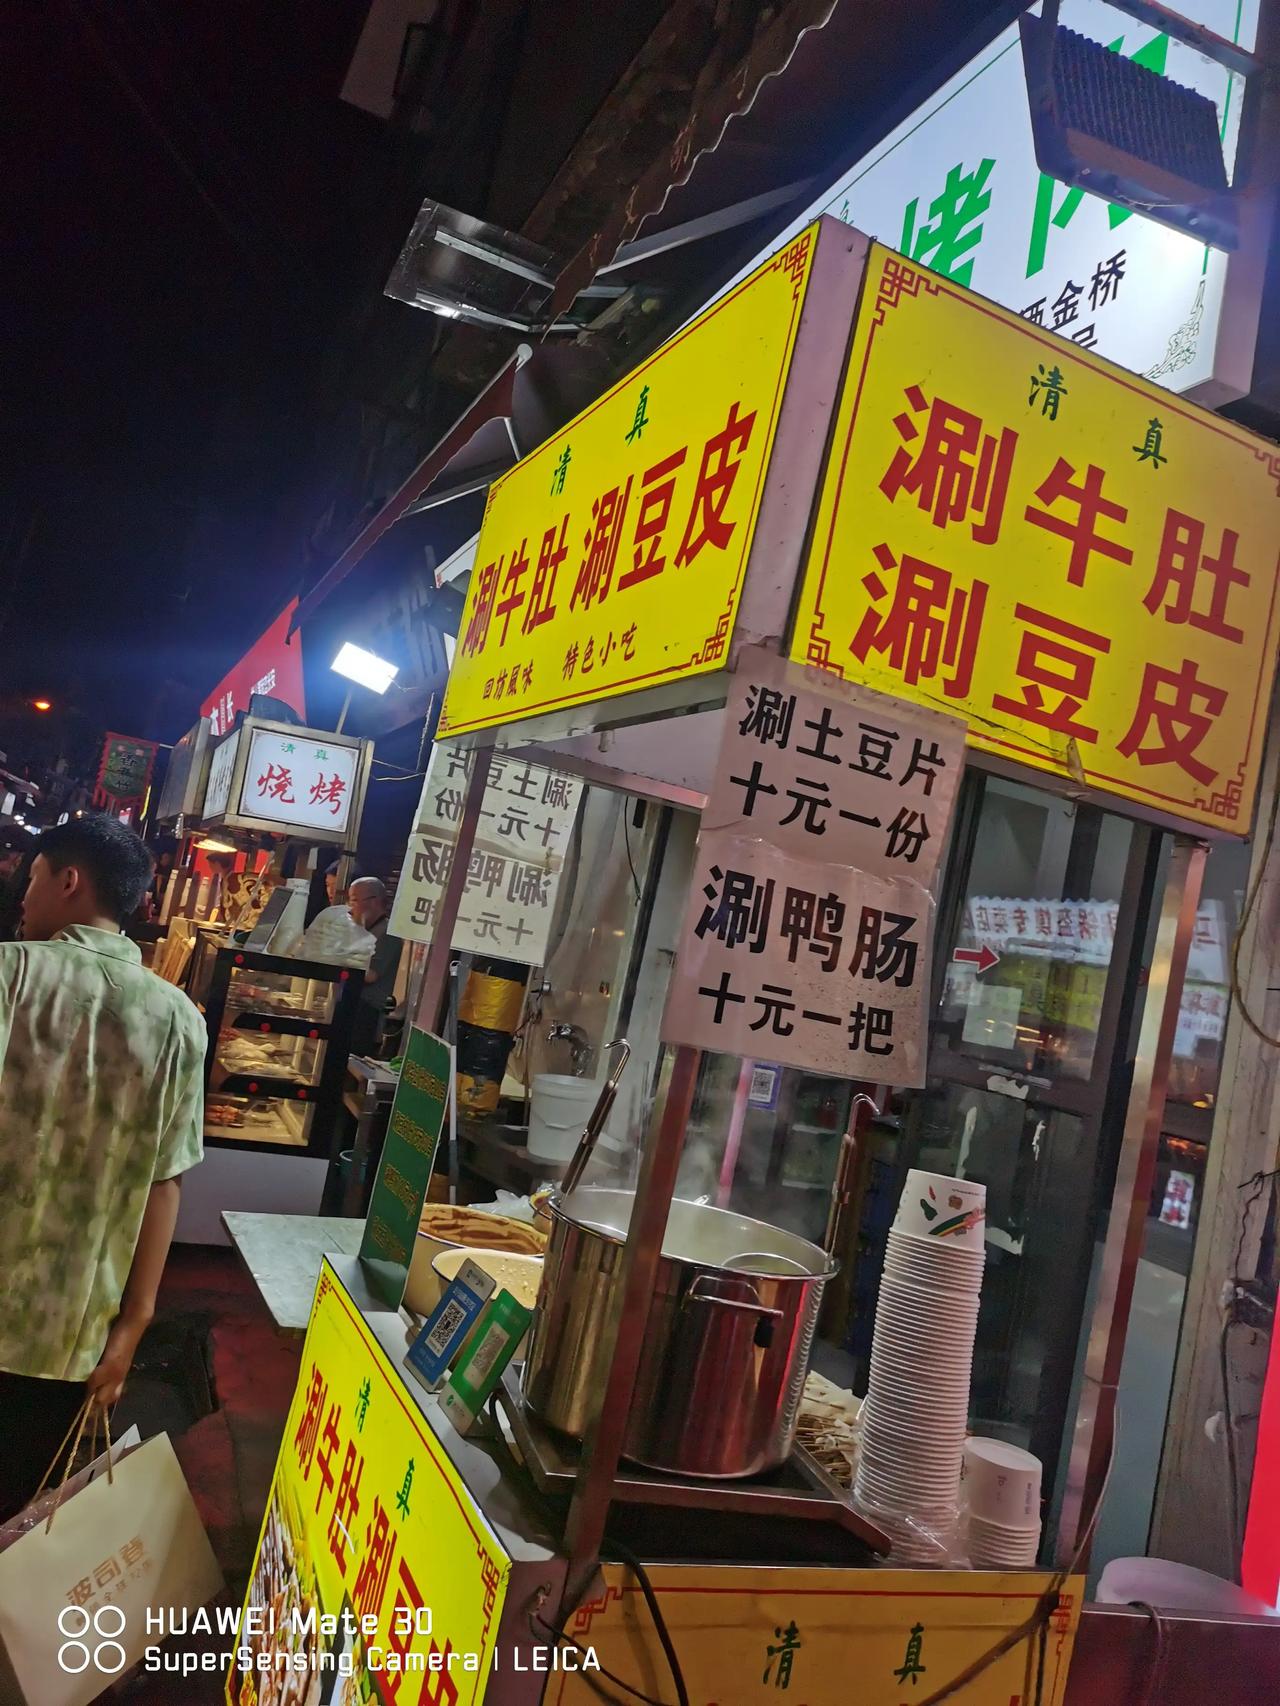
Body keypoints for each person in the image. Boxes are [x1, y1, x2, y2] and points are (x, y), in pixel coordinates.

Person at [0, 815, 206, 1520]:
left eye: (31, 879)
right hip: (74, 1341)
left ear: (68, 881)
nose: (23, 896)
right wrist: (132, 1330)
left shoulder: (9, 974)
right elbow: (164, 1183)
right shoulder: (180, 1020)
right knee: (21, 1512)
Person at [348, 876, 403, 1056]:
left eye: (354, 900)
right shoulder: (364, 931)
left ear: (374, 901)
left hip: (367, 1014)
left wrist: (338, 959)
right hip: (353, 1007)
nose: (350, 907)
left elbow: (371, 975)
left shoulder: (388, 933)